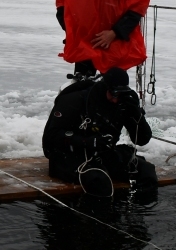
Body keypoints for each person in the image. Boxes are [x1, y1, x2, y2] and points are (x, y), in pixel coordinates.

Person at [42, 68, 157, 196]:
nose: (116, 99)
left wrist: (136, 114)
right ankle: (97, 214)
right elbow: (51, 138)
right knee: (99, 181)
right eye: (113, 94)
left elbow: (142, 139)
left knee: (147, 171)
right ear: (105, 88)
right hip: (71, 156)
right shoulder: (75, 100)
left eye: (120, 94)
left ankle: (141, 212)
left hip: (104, 154)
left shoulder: (122, 103)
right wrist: (88, 142)